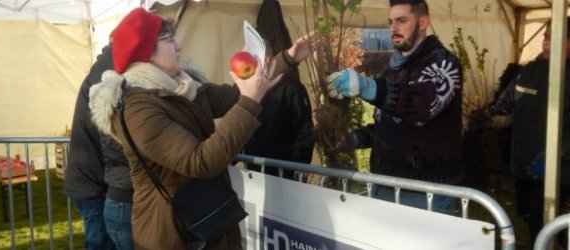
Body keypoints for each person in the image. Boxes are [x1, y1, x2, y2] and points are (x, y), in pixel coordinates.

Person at [88, 8, 316, 249]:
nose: (178, 46)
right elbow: (199, 161)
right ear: (146, 53)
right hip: (172, 231)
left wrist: (288, 58)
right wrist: (249, 104)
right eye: (168, 40)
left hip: (205, 218)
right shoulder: (137, 109)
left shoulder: (182, 87)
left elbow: (234, 95)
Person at [327, 0, 464, 215]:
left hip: (426, 193)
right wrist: (353, 139)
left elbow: (424, 104)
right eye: (390, 22)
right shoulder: (392, 70)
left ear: (423, 22)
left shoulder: (444, 63)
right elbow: (387, 124)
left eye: (402, 20)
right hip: (385, 185)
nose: (393, 28)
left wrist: (369, 87)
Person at [487, 18, 570, 245]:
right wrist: (487, 115)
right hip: (523, 164)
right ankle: (563, 235)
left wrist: (558, 154)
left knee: (538, 222)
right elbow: (507, 100)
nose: (546, 43)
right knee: (525, 212)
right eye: (545, 37)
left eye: (555, 39)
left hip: (557, 170)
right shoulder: (528, 72)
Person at [65, 44, 134, 250]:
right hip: (92, 185)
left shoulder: (105, 69)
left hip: (91, 181)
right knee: (100, 243)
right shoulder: (107, 75)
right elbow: (113, 142)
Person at [243, 1, 315, 179]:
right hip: (265, 175)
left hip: (277, 176)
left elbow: (304, 136)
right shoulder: (251, 89)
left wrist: (292, 171)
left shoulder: (291, 89)